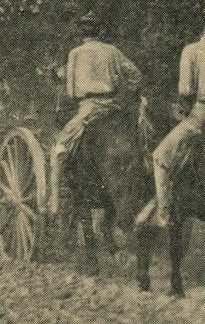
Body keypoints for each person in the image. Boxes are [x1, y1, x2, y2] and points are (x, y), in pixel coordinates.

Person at [148, 1, 205, 228]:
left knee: (160, 158)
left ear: (203, 25)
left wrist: (183, 107)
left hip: (201, 115)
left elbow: (186, 91)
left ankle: (163, 214)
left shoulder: (191, 51)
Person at [49, 14, 143, 212]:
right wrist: (123, 95)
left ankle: (53, 202)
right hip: (114, 106)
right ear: (99, 32)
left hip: (88, 107)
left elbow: (71, 91)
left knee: (59, 146)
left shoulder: (75, 53)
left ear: (81, 32)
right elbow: (135, 74)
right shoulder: (113, 51)